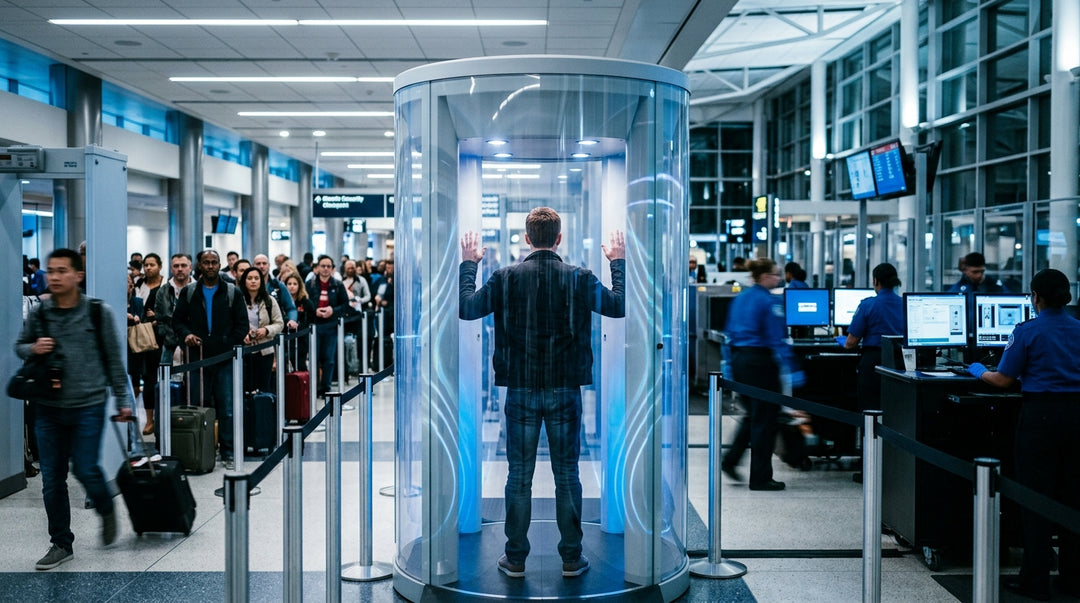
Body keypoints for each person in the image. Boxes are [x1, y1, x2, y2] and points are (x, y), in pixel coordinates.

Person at [459, 207, 625, 579]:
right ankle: (571, 557)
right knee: (567, 474)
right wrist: (618, 261)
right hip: (565, 389)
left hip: (520, 389)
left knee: (519, 476)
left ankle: (515, 558)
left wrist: (469, 264)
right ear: (560, 239)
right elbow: (619, 305)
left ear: (527, 238)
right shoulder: (580, 278)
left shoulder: (505, 278)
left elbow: (467, 308)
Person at [14, 248, 133, 570]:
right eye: (50, 270)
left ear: (78, 275)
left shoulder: (97, 312)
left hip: (88, 405)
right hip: (48, 407)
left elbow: (113, 360)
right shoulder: (40, 312)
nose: (54, 276)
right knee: (52, 479)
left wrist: (123, 400)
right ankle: (61, 543)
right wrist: (34, 348)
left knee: (85, 468)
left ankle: (106, 508)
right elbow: (20, 345)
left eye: (61, 270)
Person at [968, 268, 1080, 600]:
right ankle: (1073, 578)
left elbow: (1003, 380)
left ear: (1036, 297)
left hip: (1040, 419)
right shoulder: (1078, 329)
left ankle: (1036, 578)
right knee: (1073, 496)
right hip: (1076, 418)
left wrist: (979, 371)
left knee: (1036, 496)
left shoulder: (1027, 331)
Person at [721, 258, 800, 491]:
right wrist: (794, 369)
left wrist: (729, 366)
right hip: (760, 362)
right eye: (775, 275)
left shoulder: (740, 298)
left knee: (753, 414)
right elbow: (778, 339)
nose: (778, 278)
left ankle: (730, 460)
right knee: (765, 419)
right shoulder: (769, 302)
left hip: (740, 361)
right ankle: (761, 477)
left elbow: (728, 334)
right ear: (764, 276)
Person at [170, 249, 248, 470]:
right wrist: (186, 335)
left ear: (219, 264)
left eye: (214, 262)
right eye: (206, 262)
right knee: (198, 406)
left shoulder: (233, 292)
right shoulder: (189, 292)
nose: (211, 266)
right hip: (198, 360)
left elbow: (241, 324)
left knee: (228, 408)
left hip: (225, 359)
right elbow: (178, 321)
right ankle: (201, 451)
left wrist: (227, 343)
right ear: (199, 266)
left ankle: (228, 451)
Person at [838, 263, 904, 411]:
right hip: (900, 364)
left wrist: (842, 340)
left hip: (873, 364)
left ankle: (869, 434)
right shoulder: (904, 304)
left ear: (875, 281)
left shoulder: (868, 305)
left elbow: (850, 343)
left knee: (870, 408)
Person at [305, 255, 349, 396]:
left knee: (329, 359)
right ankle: (313, 387)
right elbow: (305, 303)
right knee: (314, 358)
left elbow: (345, 305)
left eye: (328, 266)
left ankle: (325, 387)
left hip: (331, 326)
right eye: (322, 266)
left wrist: (332, 310)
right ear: (317, 268)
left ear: (332, 268)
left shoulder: (338, 285)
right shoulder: (310, 285)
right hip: (314, 326)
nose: (325, 269)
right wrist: (314, 311)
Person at [238, 266, 284, 393]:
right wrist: (242, 334)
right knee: (245, 387)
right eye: (250, 278)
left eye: (256, 278)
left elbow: (279, 323)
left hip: (265, 349)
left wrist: (266, 330)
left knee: (263, 387)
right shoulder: (238, 300)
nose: (253, 281)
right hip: (244, 350)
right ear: (244, 281)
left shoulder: (270, 300)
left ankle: (263, 411)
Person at [154, 253, 193, 366]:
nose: (180, 269)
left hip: (193, 344)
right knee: (166, 380)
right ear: (171, 269)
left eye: (183, 265)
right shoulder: (163, 291)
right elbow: (159, 316)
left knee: (195, 380)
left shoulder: (198, 289)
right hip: (169, 344)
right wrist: (165, 335)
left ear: (190, 267)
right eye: (176, 266)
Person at [254, 254, 298, 331]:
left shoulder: (278, 285)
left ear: (269, 265)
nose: (261, 266)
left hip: (276, 331)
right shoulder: (248, 286)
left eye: (264, 263)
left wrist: (292, 320)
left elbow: (291, 308)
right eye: (258, 264)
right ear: (253, 266)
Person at [284, 273, 315, 372]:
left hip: (301, 339)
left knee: (300, 365)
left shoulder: (306, 302)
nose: (292, 286)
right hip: (285, 338)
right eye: (289, 284)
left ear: (299, 286)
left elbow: (311, 320)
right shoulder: (281, 302)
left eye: (295, 284)